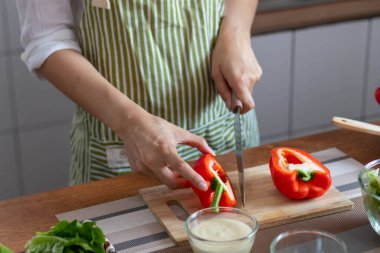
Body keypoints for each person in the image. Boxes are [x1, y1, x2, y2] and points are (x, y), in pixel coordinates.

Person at [16, 0, 262, 192]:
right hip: (119, 150)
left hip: (224, 125)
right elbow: (45, 39)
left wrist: (236, 32)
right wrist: (129, 122)